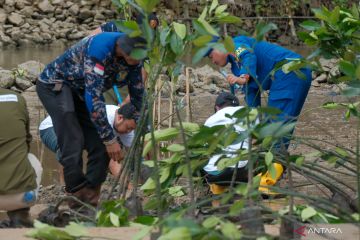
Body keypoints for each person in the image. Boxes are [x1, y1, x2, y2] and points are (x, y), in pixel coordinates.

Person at [36, 32, 147, 208]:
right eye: (133, 58)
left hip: (78, 91)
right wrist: (110, 138)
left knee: (100, 146)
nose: (136, 63)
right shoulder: (100, 48)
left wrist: (143, 130)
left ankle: (91, 193)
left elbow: (138, 97)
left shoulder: (135, 59)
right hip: (55, 84)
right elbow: (94, 98)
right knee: (74, 139)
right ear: (123, 49)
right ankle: (76, 194)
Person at [206, 36, 312, 149]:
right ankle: (274, 158)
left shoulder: (234, 44)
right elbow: (251, 95)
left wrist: (242, 77)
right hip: (287, 75)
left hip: (291, 70)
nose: (213, 61)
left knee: (276, 121)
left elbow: (248, 55)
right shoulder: (235, 66)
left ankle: (276, 160)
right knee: (272, 123)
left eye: (211, 56)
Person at [202, 92, 283, 195]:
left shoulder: (208, 121)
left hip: (212, 175)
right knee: (279, 154)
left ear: (217, 108)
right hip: (239, 170)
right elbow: (258, 140)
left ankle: (218, 188)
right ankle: (263, 184)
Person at [39, 103, 137, 178]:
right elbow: (112, 160)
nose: (129, 132)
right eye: (128, 128)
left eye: (132, 129)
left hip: (78, 133)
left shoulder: (128, 126)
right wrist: (129, 187)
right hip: (52, 127)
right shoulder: (103, 118)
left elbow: (133, 153)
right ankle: (65, 187)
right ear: (120, 118)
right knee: (68, 149)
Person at [90, 12, 159, 105]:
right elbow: (90, 40)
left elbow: (143, 73)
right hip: (102, 77)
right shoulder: (116, 27)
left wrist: (126, 101)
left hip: (125, 81)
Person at [0, 88, 43, 228]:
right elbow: (26, 141)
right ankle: (20, 216)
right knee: (30, 158)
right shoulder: (16, 98)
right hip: (20, 197)